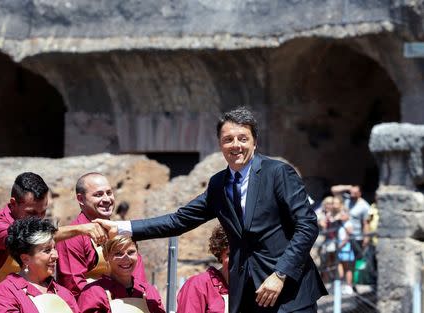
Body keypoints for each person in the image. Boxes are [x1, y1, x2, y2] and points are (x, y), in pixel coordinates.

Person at [97, 107, 327, 313]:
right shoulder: (219, 184)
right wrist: (121, 227)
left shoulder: (277, 173)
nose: (235, 145)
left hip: (289, 291)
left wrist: (280, 274)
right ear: (220, 144)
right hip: (248, 294)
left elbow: (306, 226)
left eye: (242, 138)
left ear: (254, 142)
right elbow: (179, 220)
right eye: (228, 139)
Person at [0, 172, 107, 289]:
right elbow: (34, 236)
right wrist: (80, 229)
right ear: (13, 203)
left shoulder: (32, 222)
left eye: (43, 212)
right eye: (31, 213)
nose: (38, 218)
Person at [56, 173, 147, 298]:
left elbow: (138, 277)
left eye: (109, 193)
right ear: (80, 199)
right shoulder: (72, 237)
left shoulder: (122, 231)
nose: (107, 199)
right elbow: (74, 287)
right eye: (98, 195)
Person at [0, 217, 79, 313]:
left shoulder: (64, 294)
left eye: (54, 248)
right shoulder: (7, 293)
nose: (56, 255)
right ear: (25, 259)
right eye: (47, 250)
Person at [78, 235, 165, 313]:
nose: (126, 258)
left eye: (131, 252)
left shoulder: (149, 291)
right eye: (118, 254)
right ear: (106, 256)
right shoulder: (94, 292)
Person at [177, 224, 229, 313]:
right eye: (230, 255)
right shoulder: (198, 285)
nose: (237, 260)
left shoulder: (252, 286)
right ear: (220, 253)